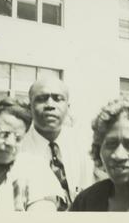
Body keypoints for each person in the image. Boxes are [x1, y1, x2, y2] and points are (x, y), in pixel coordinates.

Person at [20, 77, 95, 209]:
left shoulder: (86, 146)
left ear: (68, 107)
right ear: (29, 106)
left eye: (57, 98)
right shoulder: (18, 149)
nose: (50, 105)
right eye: (41, 98)